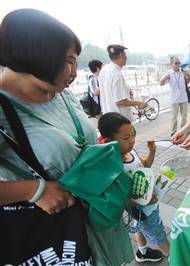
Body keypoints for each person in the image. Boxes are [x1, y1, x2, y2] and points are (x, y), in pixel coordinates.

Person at [0, 8, 95, 263]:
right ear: (38, 52)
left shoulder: (61, 91)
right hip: (46, 238)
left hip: (90, 228)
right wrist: (34, 190)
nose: (74, 71)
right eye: (69, 60)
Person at [98, 112, 169, 263]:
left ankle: (143, 253)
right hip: (142, 210)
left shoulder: (131, 152)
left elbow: (144, 166)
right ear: (108, 141)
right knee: (159, 235)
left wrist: (152, 151)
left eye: (133, 135)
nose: (132, 141)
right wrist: (144, 201)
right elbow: (121, 199)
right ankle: (177, 257)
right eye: (125, 138)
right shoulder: (114, 168)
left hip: (146, 204)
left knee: (139, 228)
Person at [98, 44, 145, 122]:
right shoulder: (117, 74)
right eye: (125, 55)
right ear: (121, 55)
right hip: (119, 120)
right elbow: (120, 101)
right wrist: (139, 103)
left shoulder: (104, 70)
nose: (126, 57)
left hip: (108, 117)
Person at [159, 56, 188, 136]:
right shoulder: (168, 73)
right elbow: (160, 83)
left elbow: (188, 82)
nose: (178, 65)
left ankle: (183, 132)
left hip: (183, 97)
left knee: (184, 117)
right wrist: (165, 78)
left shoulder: (182, 71)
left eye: (179, 63)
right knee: (174, 117)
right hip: (174, 99)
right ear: (171, 64)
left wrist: (187, 76)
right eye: (176, 63)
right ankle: (173, 133)